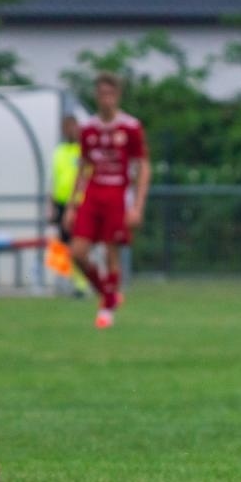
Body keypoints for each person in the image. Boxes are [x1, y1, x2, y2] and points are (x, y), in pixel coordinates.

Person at [63, 73, 150, 328]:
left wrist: (137, 205)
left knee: (111, 250)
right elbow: (83, 168)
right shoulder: (88, 128)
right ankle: (109, 295)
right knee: (77, 253)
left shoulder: (130, 127)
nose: (106, 99)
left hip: (117, 193)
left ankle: (107, 311)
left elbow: (143, 166)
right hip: (92, 194)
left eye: (110, 94)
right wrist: (71, 205)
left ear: (118, 96)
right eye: (102, 94)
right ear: (96, 97)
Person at [47, 113, 87, 297]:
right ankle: (66, 280)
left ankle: (81, 283)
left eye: (73, 126)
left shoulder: (83, 151)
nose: (70, 130)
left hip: (79, 203)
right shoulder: (60, 151)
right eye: (66, 127)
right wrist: (51, 203)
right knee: (62, 244)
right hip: (61, 202)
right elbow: (54, 180)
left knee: (77, 243)